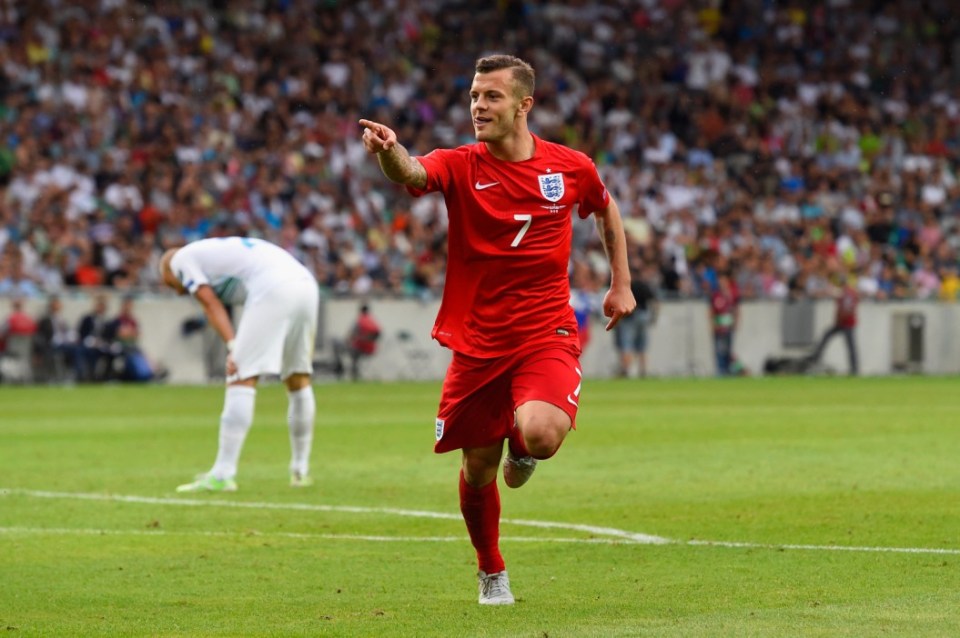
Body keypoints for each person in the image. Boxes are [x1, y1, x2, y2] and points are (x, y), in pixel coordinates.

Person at [359, 54, 635, 606]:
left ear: (523, 105)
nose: (479, 107)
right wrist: (391, 153)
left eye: (491, 97)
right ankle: (491, 570)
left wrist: (620, 283)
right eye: (474, 97)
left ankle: (525, 444)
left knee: (540, 434)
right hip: (478, 343)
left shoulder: (570, 167)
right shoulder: (461, 164)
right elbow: (415, 172)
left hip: (546, 332)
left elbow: (606, 211)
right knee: (478, 468)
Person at [158, 236, 320, 492]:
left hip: (274, 287)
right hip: (305, 283)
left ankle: (223, 474)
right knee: (298, 378)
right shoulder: (213, 254)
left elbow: (208, 301)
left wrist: (233, 346)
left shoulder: (180, 260)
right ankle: (300, 470)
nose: (178, 291)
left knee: (240, 374)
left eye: (172, 285)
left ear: (169, 272)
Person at [613, 258, 659, 377]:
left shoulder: (627, 286)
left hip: (629, 317)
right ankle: (643, 371)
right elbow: (654, 301)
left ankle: (625, 370)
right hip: (643, 316)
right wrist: (654, 316)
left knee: (627, 344)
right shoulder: (644, 285)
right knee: (642, 345)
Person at [806, 273, 859, 375]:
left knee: (849, 345)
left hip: (846, 323)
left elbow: (848, 310)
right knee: (832, 338)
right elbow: (833, 293)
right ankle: (816, 357)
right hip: (843, 323)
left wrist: (839, 318)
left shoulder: (848, 294)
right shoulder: (845, 292)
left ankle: (854, 368)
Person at [33, 295, 78, 383]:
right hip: (51, 345)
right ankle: (55, 377)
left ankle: (71, 375)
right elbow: (40, 336)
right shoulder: (45, 320)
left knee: (77, 350)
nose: (57, 306)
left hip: (65, 344)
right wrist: (37, 352)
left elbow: (68, 332)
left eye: (58, 304)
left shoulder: (63, 320)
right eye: (55, 304)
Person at [334, 303, 381, 381]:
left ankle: (340, 369)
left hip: (360, 348)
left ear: (360, 311)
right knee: (353, 355)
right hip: (370, 349)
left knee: (337, 345)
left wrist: (353, 340)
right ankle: (352, 372)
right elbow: (378, 333)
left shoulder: (360, 321)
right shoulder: (372, 321)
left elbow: (350, 335)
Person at [709, 271, 740, 376]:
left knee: (728, 350)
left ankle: (728, 371)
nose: (722, 282)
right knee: (719, 350)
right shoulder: (715, 295)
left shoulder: (731, 295)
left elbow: (735, 309)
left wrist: (736, 322)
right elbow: (712, 311)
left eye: (724, 280)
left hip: (728, 327)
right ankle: (720, 371)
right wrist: (713, 324)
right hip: (719, 327)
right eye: (720, 280)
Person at [76, 294, 113, 382]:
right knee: (81, 352)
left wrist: (102, 342)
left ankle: (105, 378)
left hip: (102, 346)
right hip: (88, 345)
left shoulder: (107, 321)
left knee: (112, 353)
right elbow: (81, 333)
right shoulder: (87, 318)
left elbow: (109, 336)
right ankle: (84, 377)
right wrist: (91, 341)